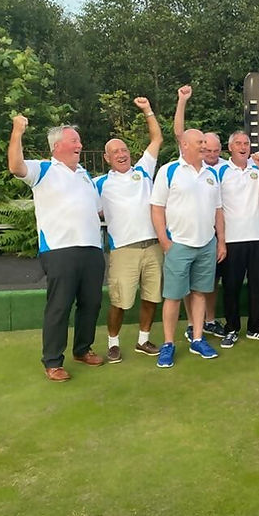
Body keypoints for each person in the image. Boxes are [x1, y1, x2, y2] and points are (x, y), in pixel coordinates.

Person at [8, 116, 105, 382]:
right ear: (57, 146)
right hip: (59, 250)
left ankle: (83, 350)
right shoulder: (43, 170)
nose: (80, 144)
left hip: (92, 249)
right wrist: (18, 131)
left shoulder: (85, 175)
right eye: (74, 140)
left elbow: (97, 210)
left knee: (92, 303)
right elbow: (15, 166)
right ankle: (52, 361)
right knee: (60, 306)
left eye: (79, 140)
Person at [94, 97, 163, 363]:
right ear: (106, 158)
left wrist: (147, 110)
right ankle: (113, 343)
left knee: (151, 297)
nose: (121, 154)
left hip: (153, 246)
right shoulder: (99, 184)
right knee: (120, 301)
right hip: (123, 250)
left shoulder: (144, 170)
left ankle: (143, 340)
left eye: (123, 150)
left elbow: (156, 139)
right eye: (115, 152)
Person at [150, 129, 226, 368]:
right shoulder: (169, 171)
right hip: (178, 245)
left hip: (207, 244)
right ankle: (169, 344)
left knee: (200, 293)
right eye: (200, 142)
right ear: (184, 145)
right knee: (172, 297)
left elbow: (218, 211)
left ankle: (198, 339)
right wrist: (164, 240)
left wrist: (220, 241)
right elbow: (157, 208)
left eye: (205, 142)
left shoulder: (211, 173)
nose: (204, 146)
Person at [173, 85, 227, 341]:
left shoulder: (223, 169)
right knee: (186, 288)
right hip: (183, 240)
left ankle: (208, 322)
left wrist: (221, 240)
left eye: (214, 150)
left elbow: (218, 209)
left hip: (211, 240)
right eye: (205, 148)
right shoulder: (183, 166)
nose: (209, 153)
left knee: (207, 286)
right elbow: (179, 133)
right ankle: (191, 327)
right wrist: (182, 101)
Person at [216, 131, 259, 347]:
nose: (243, 147)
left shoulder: (258, 167)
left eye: (246, 143)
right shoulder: (220, 170)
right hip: (233, 239)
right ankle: (231, 328)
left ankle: (256, 328)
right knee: (231, 286)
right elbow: (218, 209)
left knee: (258, 285)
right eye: (238, 143)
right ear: (230, 147)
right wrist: (221, 240)